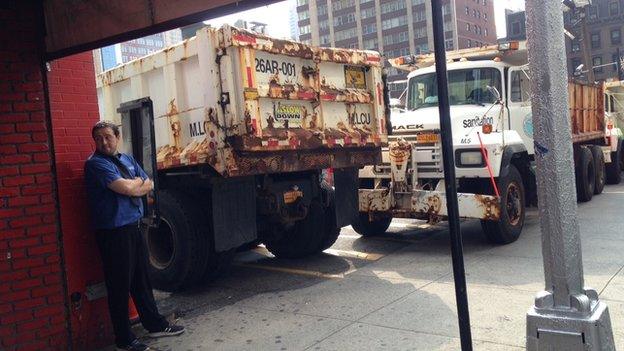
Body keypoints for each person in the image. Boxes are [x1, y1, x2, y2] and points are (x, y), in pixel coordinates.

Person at [84, 121, 184, 351]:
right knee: (120, 284)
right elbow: (129, 189)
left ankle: (155, 324)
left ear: (117, 137)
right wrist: (135, 185)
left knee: (142, 279)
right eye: (98, 138)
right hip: (114, 233)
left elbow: (148, 183)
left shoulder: (127, 160)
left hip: (134, 226)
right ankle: (124, 340)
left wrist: (136, 185)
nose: (103, 142)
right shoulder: (96, 164)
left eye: (108, 137)